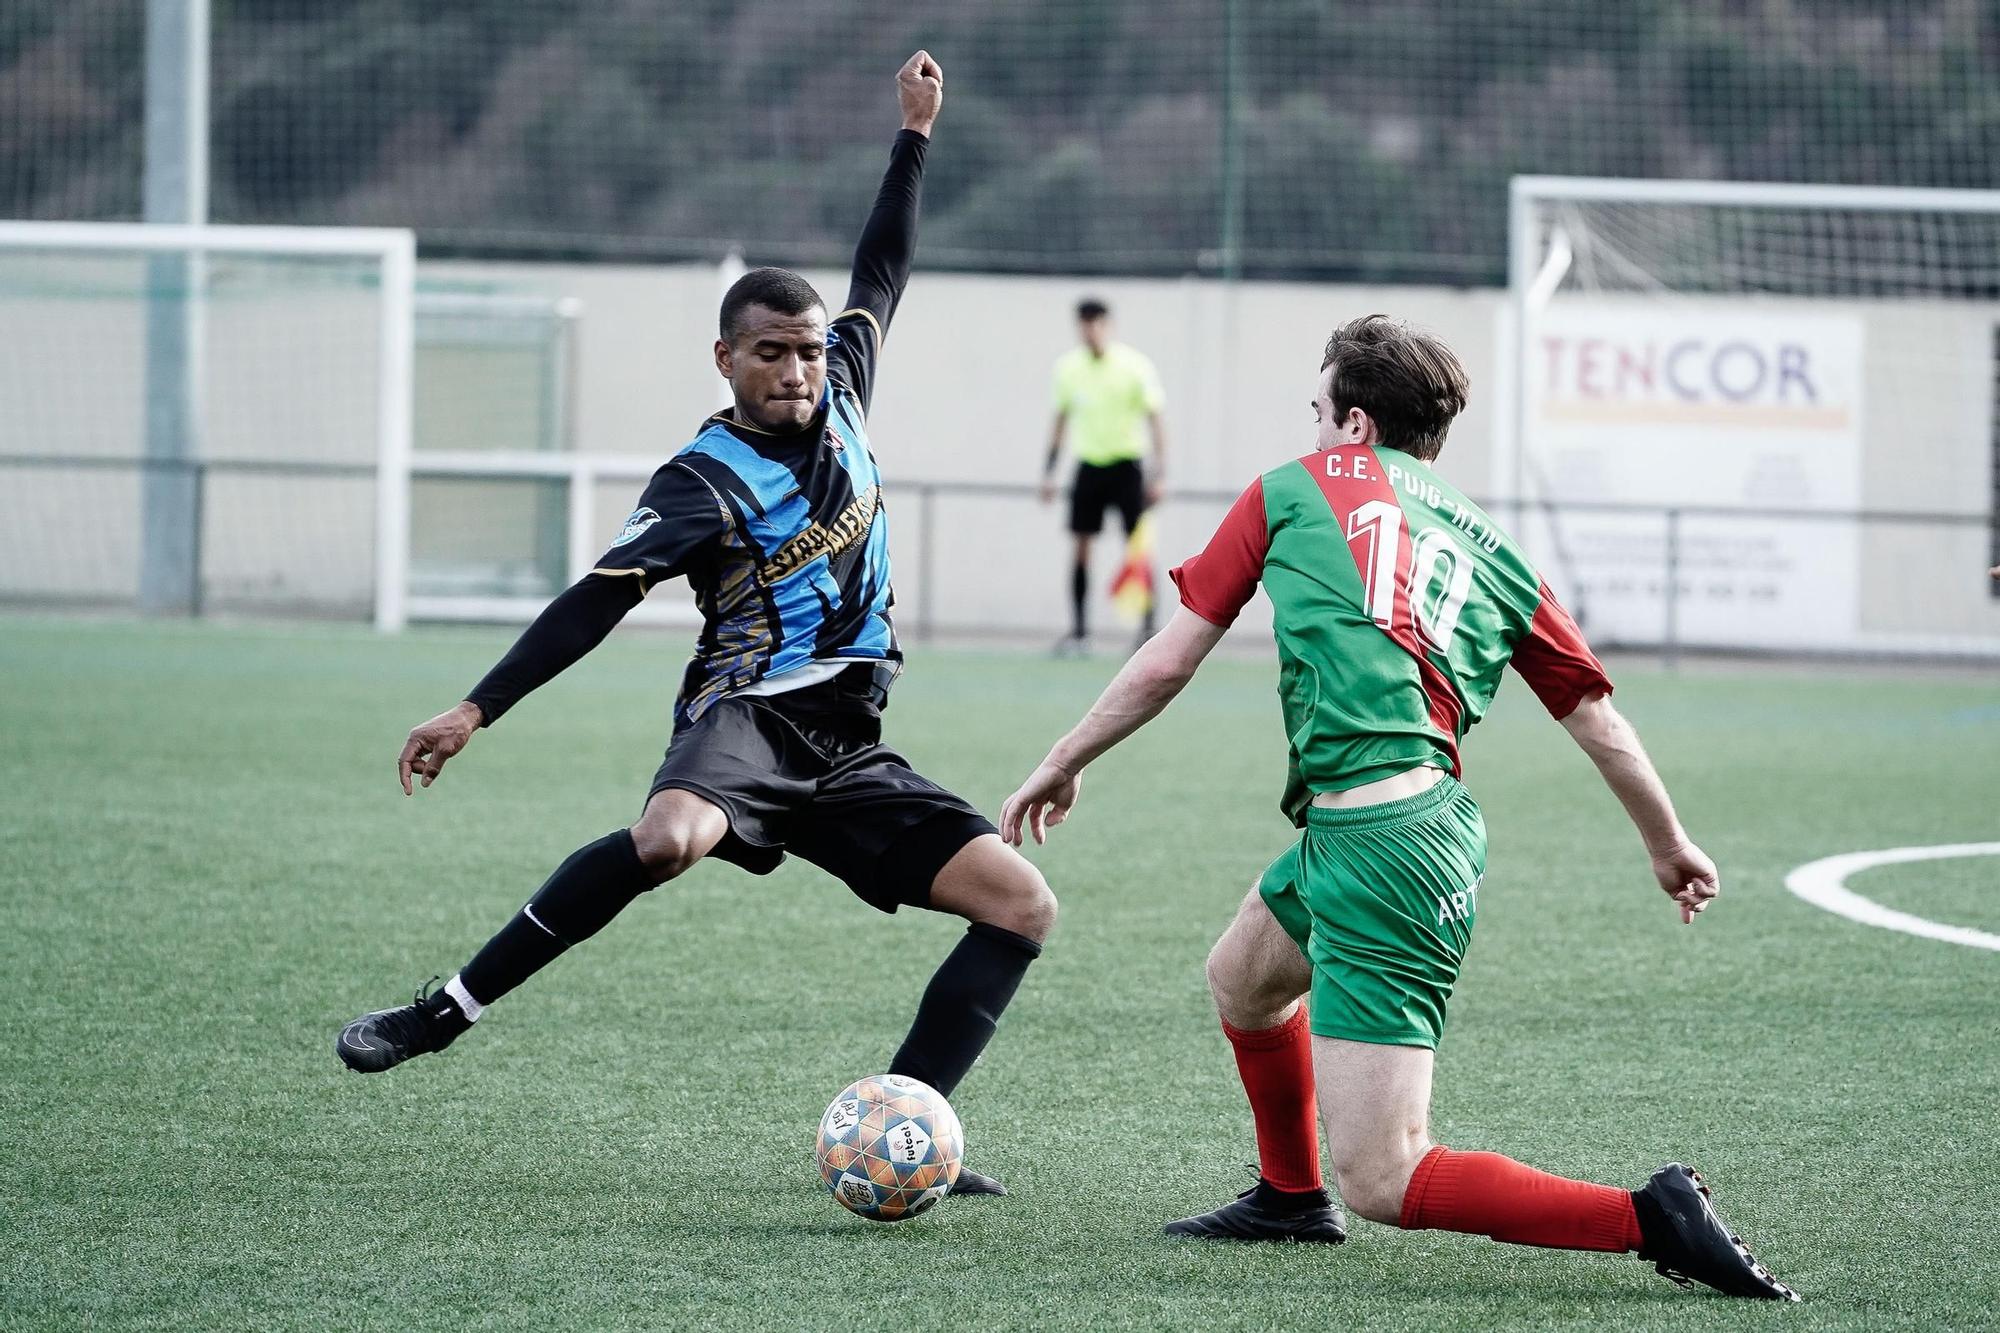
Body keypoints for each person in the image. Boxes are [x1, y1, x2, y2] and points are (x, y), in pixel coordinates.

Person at [338, 52, 1053, 1199]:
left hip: (847, 743)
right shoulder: (698, 481)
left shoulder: (848, 389)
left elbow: (883, 262)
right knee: (669, 837)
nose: (797, 368)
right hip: (747, 721)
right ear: (725, 358)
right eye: (770, 350)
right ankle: (440, 1014)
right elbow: (594, 600)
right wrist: (477, 706)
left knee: (1021, 903)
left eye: (809, 348)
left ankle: (911, 1121)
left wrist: (914, 135)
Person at [999, 314, 1796, 1299]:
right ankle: (1287, 1198)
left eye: (1319, 408)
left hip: (1383, 848)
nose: (1314, 427)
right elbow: (1595, 718)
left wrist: (1063, 758)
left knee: (1384, 1174)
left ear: (1356, 424)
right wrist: (1666, 841)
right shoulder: (1492, 546)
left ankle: (1647, 1218)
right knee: (1243, 977)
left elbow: (1169, 658)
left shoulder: (1292, 486)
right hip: (1391, 827)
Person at [1039, 299, 1168, 653]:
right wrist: (1049, 472)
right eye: (1084, 324)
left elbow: (1155, 420)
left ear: (1107, 325)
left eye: (1096, 323)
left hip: (1127, 467)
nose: (1090, 330)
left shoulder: (1134, 366)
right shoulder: (1068, 369)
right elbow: (1060, 423)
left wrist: (1159, 474)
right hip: (1089, 467)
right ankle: (1080, 631)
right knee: (1081, 547)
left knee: (1137, 549)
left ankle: (1148, 629)